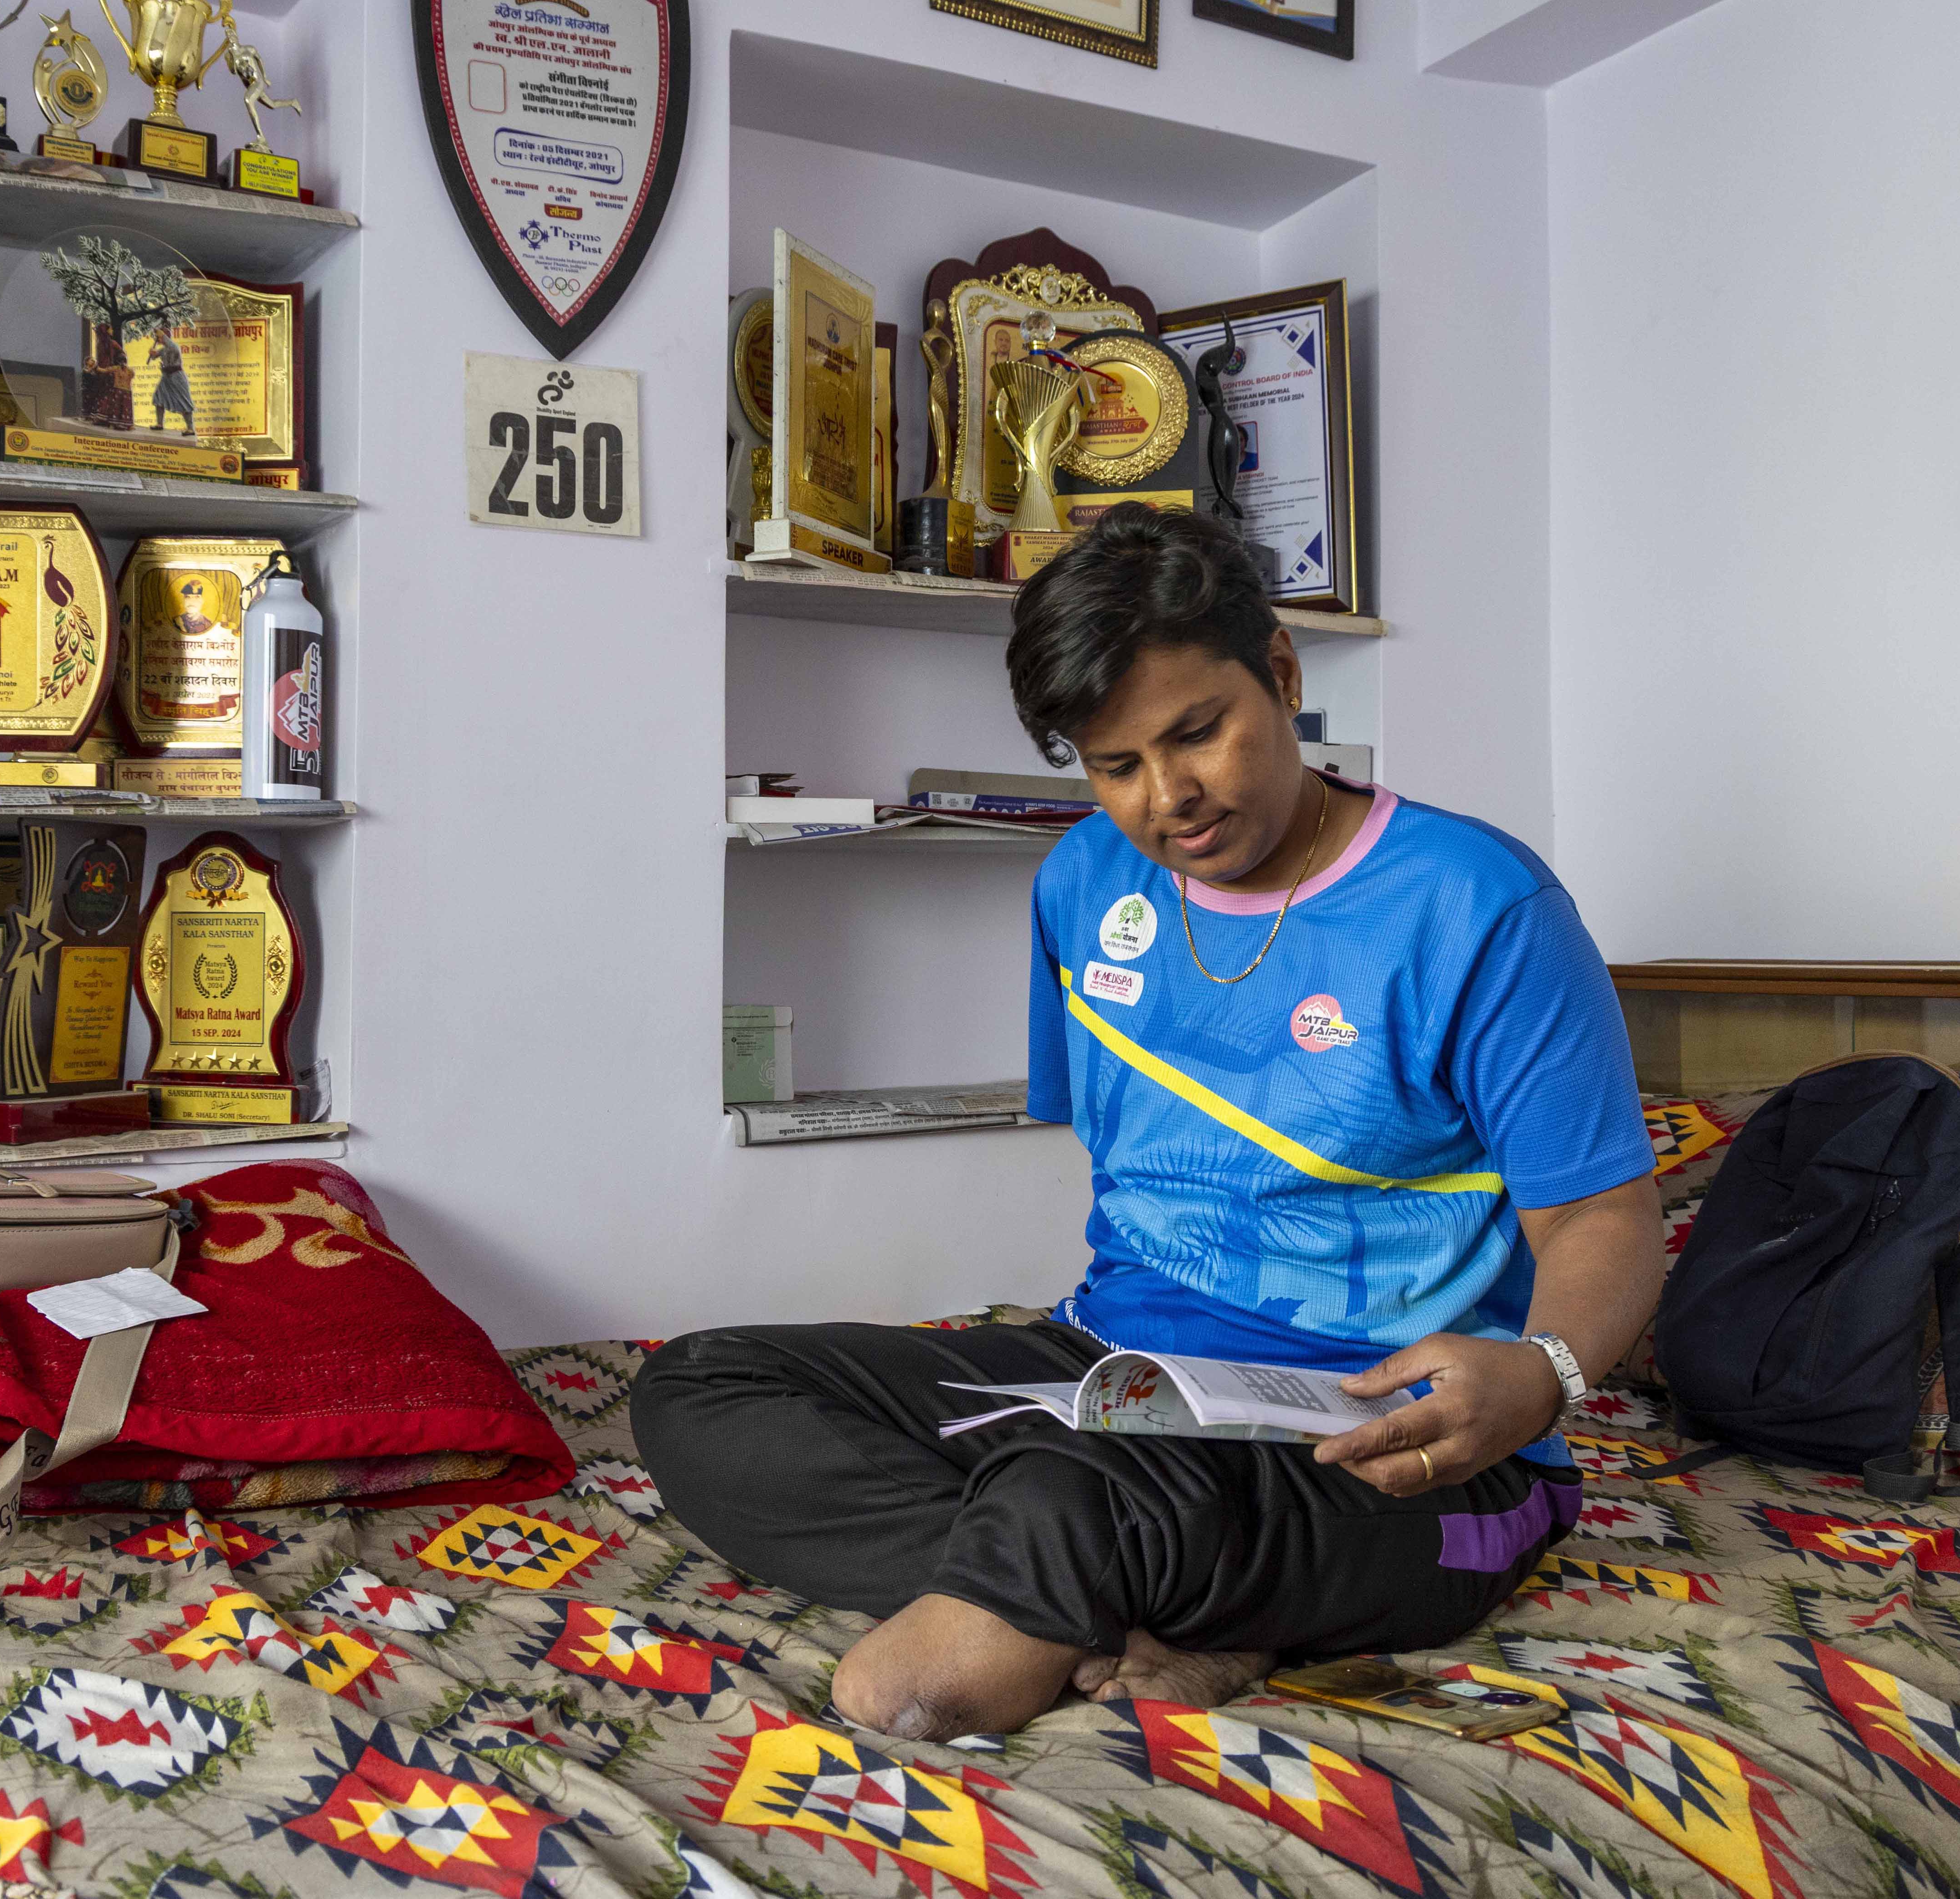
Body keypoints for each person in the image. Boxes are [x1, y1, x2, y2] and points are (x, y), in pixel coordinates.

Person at [634, 502, 1662, 1740]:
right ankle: (1120, 1596)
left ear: (1280, 674)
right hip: (1117, 1381)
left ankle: (1069, 1556)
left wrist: (1539, 1376)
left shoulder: (1479, 905)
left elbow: (1604, 1213)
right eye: (1113, 765)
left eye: (1197, 733)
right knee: (700, 1387)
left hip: (1377, 1422)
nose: (1168, 797)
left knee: (1072, 1500)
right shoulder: (1081, 880)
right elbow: (1141, 1179)